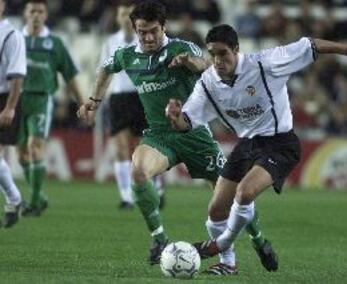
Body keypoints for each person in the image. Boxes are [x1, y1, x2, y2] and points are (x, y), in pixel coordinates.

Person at [166, 24, 347, 270]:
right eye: (212, 54)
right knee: (217, 209)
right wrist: (176, 119)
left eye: (223, 53)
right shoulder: (207, 82)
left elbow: (311, 45)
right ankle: (228, 265)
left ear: (236, 50)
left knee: (245, 193)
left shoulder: (265, 63)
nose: (217, 60)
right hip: (247, 144)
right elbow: (187, 121)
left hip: (279, 143)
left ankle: (222, 242)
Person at [78, 1, 274, 275]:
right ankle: (159, 240)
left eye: (153, 31)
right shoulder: (127, 55)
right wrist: (94, 101)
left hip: (194, 134)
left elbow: (208, 65)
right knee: (138, 171)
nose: (148, 37)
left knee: (233, 195)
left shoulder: (181, 48)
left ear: (164, 27)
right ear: (134, 28)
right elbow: (106, 68)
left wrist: (192, 63)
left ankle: (259, 240)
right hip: (160, 135)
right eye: (142, 31)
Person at [18, 0, 84, 216]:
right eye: (32, 10)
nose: (36, 14)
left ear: (46, 15)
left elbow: (70, 75)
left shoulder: (55, 43)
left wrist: (82, 102)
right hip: (15, 100)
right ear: (25, 13)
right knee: (21, 155)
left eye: (40, 11)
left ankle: (34, 201)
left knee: (35, 146)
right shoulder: (15, 40)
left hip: (41, 99)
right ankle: (40, 197)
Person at [100, 0, 165, 210]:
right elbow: (105, 71)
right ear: (119, 18)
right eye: (122, 14)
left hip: (143, 96)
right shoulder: (111, 42)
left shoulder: (147, 40)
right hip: (119, 98)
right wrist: (97, 99)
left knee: (146, 147)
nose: (125, 18)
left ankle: (156, 188)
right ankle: (127, 196)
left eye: (128, 14)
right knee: (120, 147)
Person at [0, 0, 26, 228]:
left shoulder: (11, 35)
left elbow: (17, 75)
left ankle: (15, 199)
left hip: (5, 98)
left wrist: (10, 106)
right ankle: (15, 199)